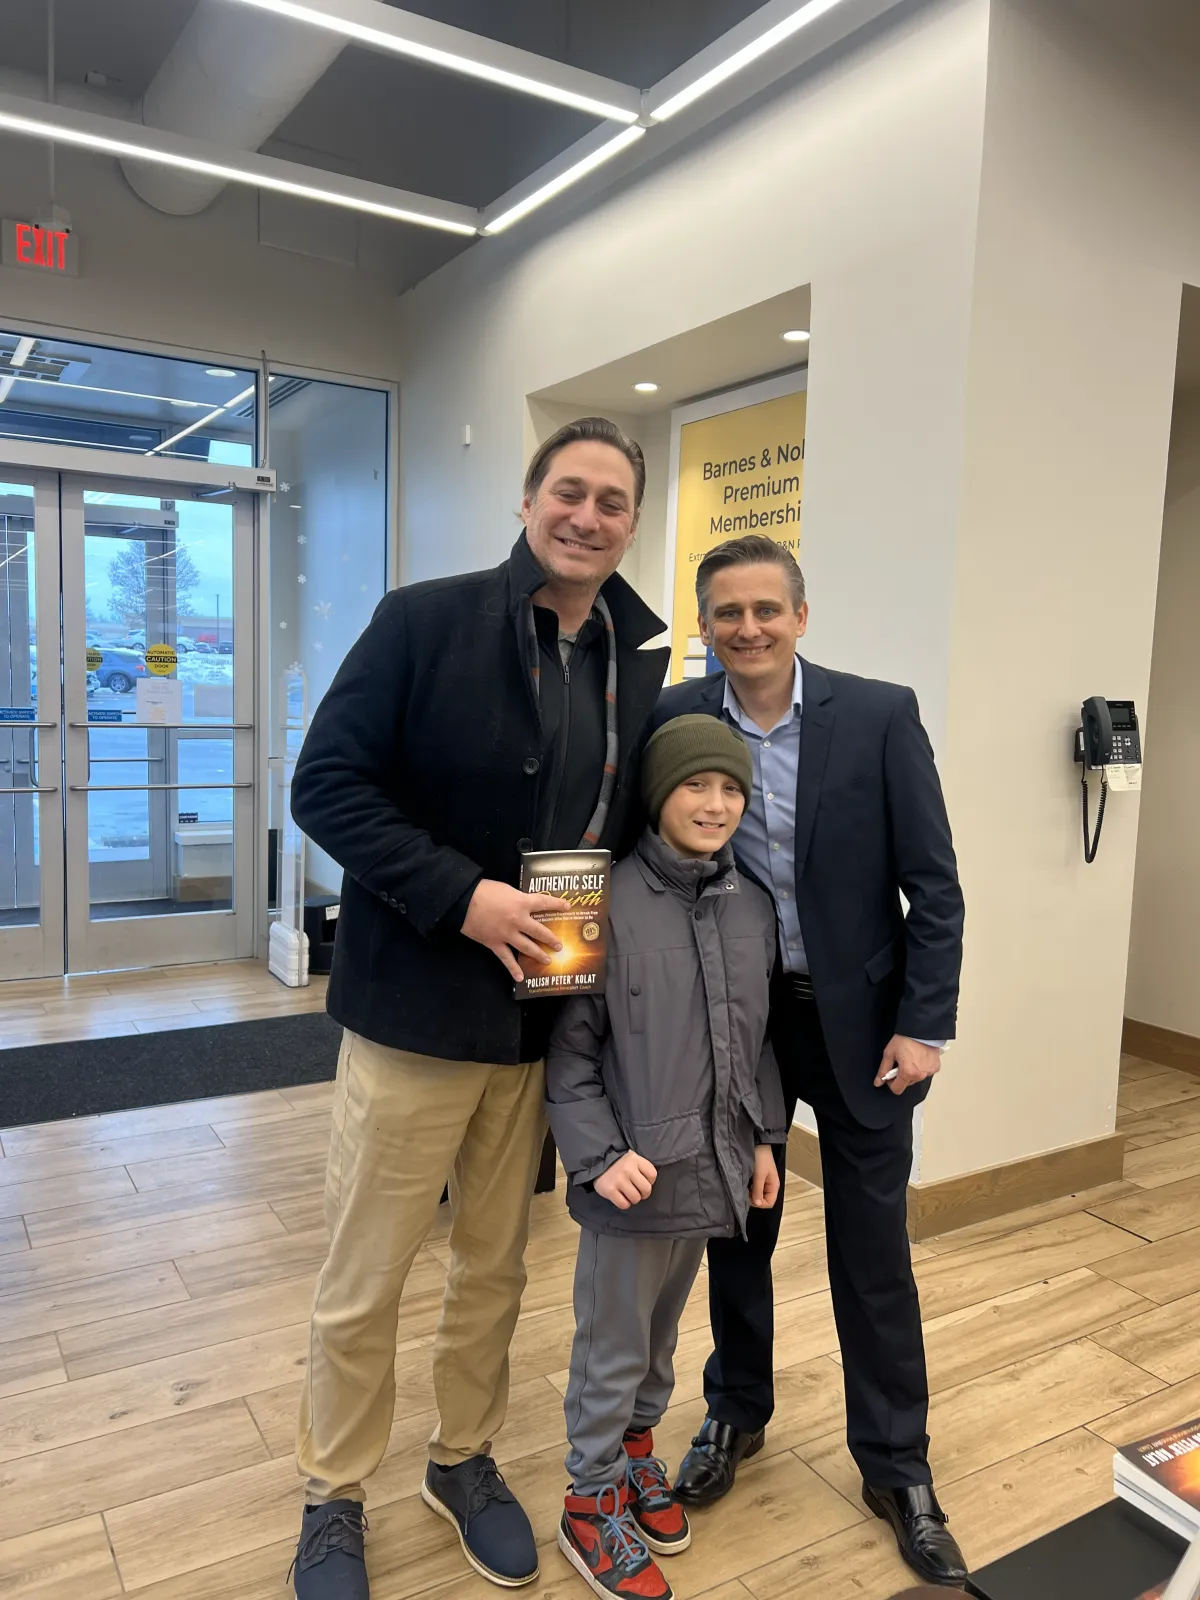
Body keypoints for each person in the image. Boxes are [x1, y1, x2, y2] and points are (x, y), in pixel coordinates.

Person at [286, 417, 670, 1600]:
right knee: (369, 1272)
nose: (587, 515)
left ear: (633, 522)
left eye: (612, 500)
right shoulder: (424, 621)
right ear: (527, 500)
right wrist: (463, 896)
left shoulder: (638, 658)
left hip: (539, 1026)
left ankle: (461, 1458)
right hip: (415, 1013)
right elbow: (326, 786)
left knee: (496, 1265)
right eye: (569, 491)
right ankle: (333, 1492)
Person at [654, 535, 968, 1588]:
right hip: (739, 1027)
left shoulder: (878, 715)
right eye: (727, 612)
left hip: (867, 1030)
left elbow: (935, 886)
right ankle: (736, 1410)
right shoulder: (677, 720)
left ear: (800, 615)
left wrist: (924, 1025)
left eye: (766, 609)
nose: (747, 628)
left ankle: (896, 1464)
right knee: (738, 1230)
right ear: (706, 624)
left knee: (872, 1253)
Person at [546, 715, 786, 1600]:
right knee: (610, 1347)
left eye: (731, 789)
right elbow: (566, 1055)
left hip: (711, 1169)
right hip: (629, 1180)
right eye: (696, 785)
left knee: (659, 1339)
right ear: (658, 795)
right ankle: (589, 1500)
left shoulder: (751, 904)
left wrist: (764, 1137)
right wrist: (600, 1156)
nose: (716, 804)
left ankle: (636, 1454)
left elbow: (757, 1041)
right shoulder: (595, 900)